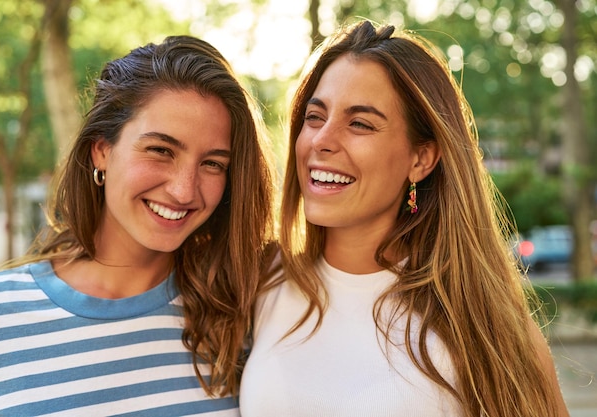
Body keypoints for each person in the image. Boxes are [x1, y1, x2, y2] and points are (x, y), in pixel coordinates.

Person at [240, 20, 570, 417]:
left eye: (359, 123)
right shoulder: (258, 282)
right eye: (314, 116)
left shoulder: (482, 321)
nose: (322, 141)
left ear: (421, 159)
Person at [0, 35, 275, 416]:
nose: (184, 191)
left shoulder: (244, 313)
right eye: (161, 150)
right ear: (102, 150)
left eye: (213, 163)